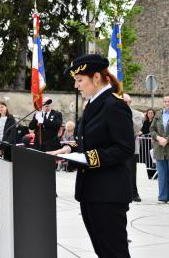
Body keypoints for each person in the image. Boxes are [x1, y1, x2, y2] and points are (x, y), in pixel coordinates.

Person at [50, 54, 134, 258]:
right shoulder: (93, 104)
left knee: (114, 252)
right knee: (102, 250)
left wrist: (89, 158)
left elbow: (124, 148)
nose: (77, 86)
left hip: (108, 192)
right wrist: (68, 149)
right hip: (91, 191)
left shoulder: (115, 105)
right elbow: (90, 138)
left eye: (80, 80)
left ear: (96, 77)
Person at [150, 94, 169, 203]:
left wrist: (167, 139)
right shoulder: (158, 114)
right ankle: (162, 197)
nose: (166, 103)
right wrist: (158, 137)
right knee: (162, 174)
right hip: (160, 148)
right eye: (165, 101)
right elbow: (152, 129)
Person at [0, 101, 16, 194]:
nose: (1, 109)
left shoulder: (11, 119)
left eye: (2, 107)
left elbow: (12, 135)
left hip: (8, 148)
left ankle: (9, 188)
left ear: (6, 107)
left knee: (9, 168)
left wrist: (3, 147)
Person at [123, 93, 144, 202]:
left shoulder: (137, 114)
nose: (126, 104)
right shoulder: (113, 113)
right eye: (124, 101)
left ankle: (134, 193)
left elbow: (135, 128)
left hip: (131, 147)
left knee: (131, 171)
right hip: (117, 147)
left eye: (128, 102)